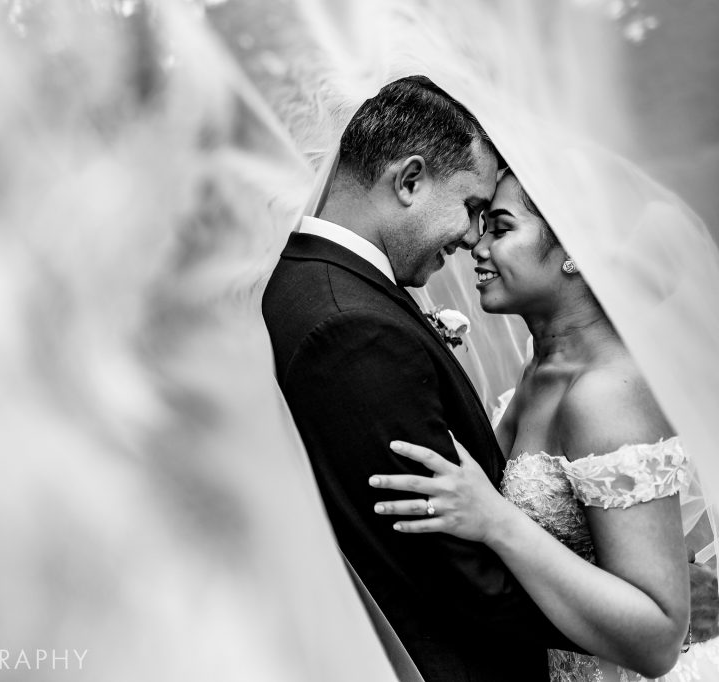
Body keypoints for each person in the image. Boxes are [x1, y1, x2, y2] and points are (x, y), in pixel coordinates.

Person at [262, 75, 586, 681]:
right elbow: (453, 569)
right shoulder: (351, 327)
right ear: (409, 181)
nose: (471, 239)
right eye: (470, 209)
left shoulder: (330, 283)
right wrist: (628, 620)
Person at [369, 168, 719, 680]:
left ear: (574, 251)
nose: (477, 247)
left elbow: (658, 639)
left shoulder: (604, 394)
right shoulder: (542, 363)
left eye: (501, 228)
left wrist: (495, 519)